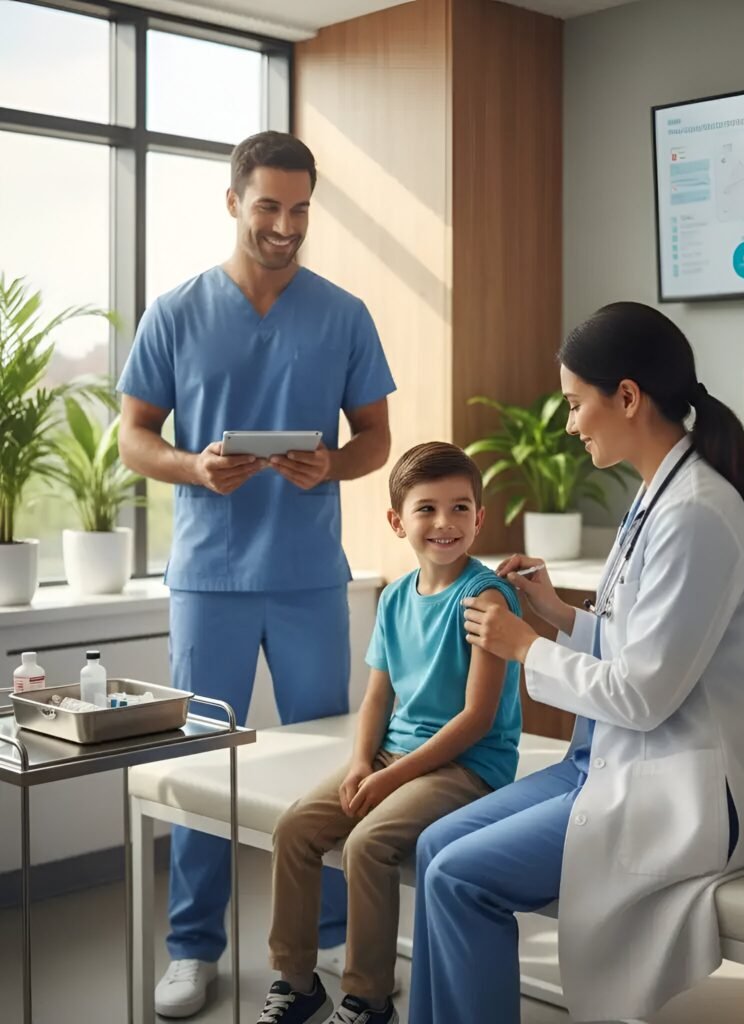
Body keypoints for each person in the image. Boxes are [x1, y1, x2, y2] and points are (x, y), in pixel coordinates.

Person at [409, 301, 744, 1024]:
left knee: (461, 879)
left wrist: (526, 645)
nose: (569, 424)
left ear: (626, 397)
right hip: (613, 760)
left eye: (574, 403)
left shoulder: (696, 515)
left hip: (690, 790)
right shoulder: (659, 494)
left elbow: (645, 694)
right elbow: (642, 642)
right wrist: (557, 614)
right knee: (435, 845)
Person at [117, 131, 395, 1019]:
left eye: (300, 208)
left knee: (330, 764)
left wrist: (335, 467)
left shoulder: (343, 312)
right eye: (269, 205)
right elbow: (134, 438)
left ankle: (325, 942)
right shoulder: (175, 311)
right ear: (233, 201)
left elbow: (377, 441)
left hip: (311, 571)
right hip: (210, 575)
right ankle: (193, 947)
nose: (285, 225)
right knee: (203, 762)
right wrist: (194, 468)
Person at [255, 441, 523, 1024]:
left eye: (459, 508)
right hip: (394, 754)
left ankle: (369, 999)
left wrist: (392, 776)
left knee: (367, 845)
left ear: (479, 517)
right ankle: (297, 982)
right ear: (397, 521)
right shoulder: (396, 596)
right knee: (296, 827)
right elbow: (378, 696)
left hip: (468, 766)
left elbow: (477, 718)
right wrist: (361, 764)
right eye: (427, 509)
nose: (444, 522)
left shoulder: (486, 597)